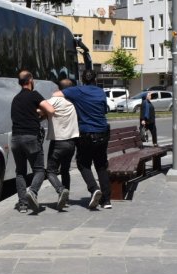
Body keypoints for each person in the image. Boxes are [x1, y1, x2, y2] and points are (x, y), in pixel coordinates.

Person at [54, 68, 112, 209]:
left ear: (82, 79)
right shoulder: (100, 92)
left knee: (83, 163)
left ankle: (94, 189)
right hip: (103, 133)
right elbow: (104, 110)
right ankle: (106, 201)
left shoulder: (77, 91)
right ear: (95, 79)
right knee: (101, 165)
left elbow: (56, 94)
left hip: (86, 134)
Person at [10, 70, 53, 214]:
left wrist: (37, 115)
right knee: (39, 169)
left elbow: (26, 115)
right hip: (31, 138)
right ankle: (32, 192)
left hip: (16, 139)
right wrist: (44, 113)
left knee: (20, 172)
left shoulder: (16, 99)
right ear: (30, 80)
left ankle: (22, 204)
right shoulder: (34, 95)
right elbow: (51, 110)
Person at [43, 79, 79, 211]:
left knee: (51, 171)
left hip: (58, 142)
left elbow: (41, 110)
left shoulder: (53, 100)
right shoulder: (74, 102)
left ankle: (61, 190)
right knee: (65, 171)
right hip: (71, 142)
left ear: (59, 89)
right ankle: (66, 200)